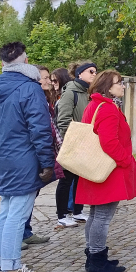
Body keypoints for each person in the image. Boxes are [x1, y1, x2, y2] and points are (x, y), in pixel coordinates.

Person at [0, 42, 55, 272]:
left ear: (3, 64)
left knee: (7, 212)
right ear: (26, 61)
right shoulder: (30, 88)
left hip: (4, 156)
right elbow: (40, 128)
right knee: (17, 214)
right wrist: (47, 162)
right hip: (24, 157)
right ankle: (12, 269)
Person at [77, 70, 136, 272]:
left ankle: (92, 255)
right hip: (108, 169)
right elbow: (109, 142)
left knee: (95, 214)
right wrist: (126, 160)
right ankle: (96, 260)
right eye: (118, 83)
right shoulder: (108, 109)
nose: (123, 86)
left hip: (96, 167)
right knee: (102, 217)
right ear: (107, 87)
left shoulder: (95, 105)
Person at [54, 61, 97, 226]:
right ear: (80, 73)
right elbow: (63, 120)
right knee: (66, 180)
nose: (94, 74)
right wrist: (72, 142)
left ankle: (78, 212)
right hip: (73, 143)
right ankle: (62, 215)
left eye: (95, 71)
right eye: (91, 71)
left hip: (86, 142)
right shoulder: (70, 92)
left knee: (80, 178)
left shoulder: (89, 92)